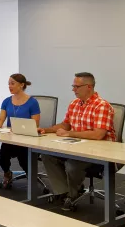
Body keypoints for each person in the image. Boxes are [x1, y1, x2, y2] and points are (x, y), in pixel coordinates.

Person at [38, 72, 115, 211]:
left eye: (77, 86)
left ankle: (73, 194)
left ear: (89, 87)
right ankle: (63, 192)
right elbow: (66, 124)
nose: (73, 89)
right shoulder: (74, 104)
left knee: (72, 165)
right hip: (76, 147)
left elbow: (98, 134)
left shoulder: (101, 106)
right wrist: (46, 130)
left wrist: (69, 133)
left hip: (98, 152)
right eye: (73, 86)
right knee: (47, 155)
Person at [0, 73, 40, 188]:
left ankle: (31, 179)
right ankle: (7, 173)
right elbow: (0, 120)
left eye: (12, 83)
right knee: (2, 157)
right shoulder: (7, 101)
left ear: (21, 85)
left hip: (27, 139)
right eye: (8, 84)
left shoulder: (32, 102)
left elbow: (35, 124)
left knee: (23, 160)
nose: (9, 86)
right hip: (11, 138)